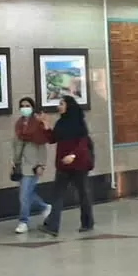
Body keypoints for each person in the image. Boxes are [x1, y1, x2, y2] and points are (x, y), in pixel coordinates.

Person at [39, 95, 94, 237]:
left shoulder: (79, 123)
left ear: (69, 106)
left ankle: (87, 223)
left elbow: (83, 144)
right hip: (63, 166)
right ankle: (53, 227)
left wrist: (73, 156)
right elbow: (52, 139)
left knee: (83, 194)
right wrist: (46, 125)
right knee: (57, 195)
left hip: (79, 165)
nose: (59, 106)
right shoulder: (61, 123)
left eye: (62, 103)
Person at [11, 97, 52, 234]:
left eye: (27, 105)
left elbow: (42, 147)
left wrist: (42, 165)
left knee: (24, 195)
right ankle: (44, 207)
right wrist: (14, 163)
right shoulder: (19, 124)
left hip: (33, 165)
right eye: (22, 106)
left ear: (32, 107)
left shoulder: (38, 125)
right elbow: (16, 146)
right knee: (26, 194)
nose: (25, 108)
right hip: (21, 164)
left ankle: (23, 221)